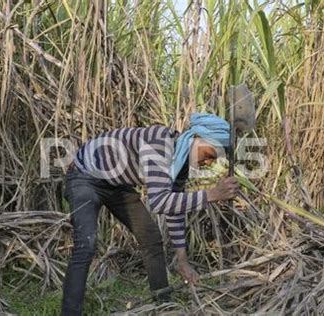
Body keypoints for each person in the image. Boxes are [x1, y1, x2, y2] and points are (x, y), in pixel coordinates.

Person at [61, 113, 240, 315]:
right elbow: (159, 202)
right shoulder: (159, 144)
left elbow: (174, 209)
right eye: (209, 154)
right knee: (86, 245)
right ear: (196, 138)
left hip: (117, 185)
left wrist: (182, 260)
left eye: (214, 159)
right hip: (84, 177)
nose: (208, 162)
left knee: (151, 237)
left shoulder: (178, 164)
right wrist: (212, 194)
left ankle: (163, 305)